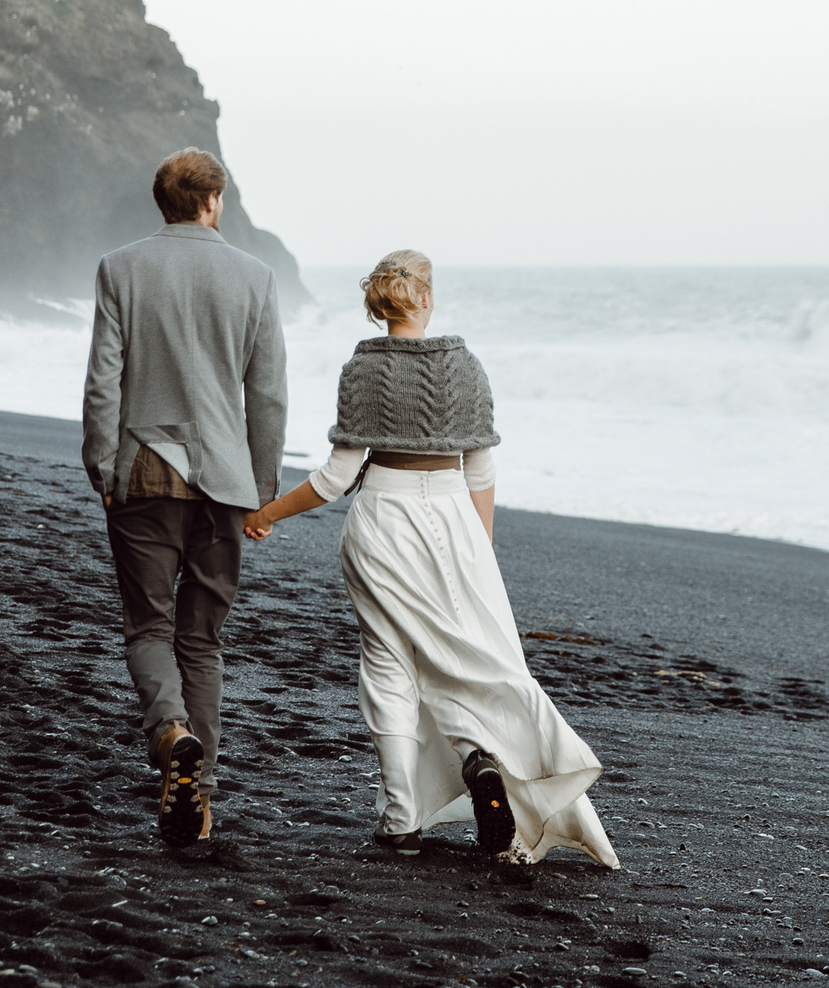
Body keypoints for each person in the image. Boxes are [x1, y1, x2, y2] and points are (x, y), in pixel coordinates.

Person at [244, 251, 617, 867]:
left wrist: (265, 515)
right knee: (463, 660)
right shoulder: (465, 366)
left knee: (389, 663)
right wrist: (481, 548)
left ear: (380, 304)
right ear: (427, 298)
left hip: (382, 522)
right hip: (453, 524)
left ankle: (400, 821)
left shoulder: (361, 370)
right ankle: (480, 760)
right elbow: (483, 469)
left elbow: (337, 478)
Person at [82, 149, 287, 851]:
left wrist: (100, 464)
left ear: (164, 201)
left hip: (142, 468)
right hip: (227, 480)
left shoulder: (121, 267)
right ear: (213, 202)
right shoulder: (256, 277)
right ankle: (198, 806)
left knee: (148, 627)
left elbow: (103, 380)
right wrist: (263, 488)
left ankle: (171, 732)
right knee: (202, 639)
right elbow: (267, 394)